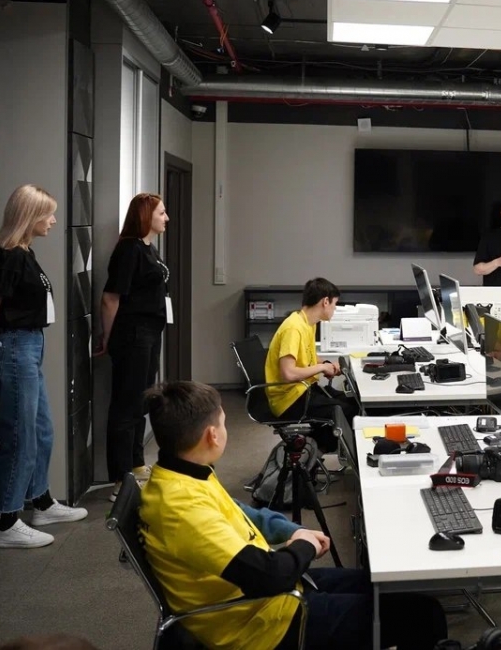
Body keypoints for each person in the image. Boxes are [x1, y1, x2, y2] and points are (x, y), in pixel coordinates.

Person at [138, 380, 447, 650]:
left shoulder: (182, 473)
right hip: (261, 625)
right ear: (212, 436)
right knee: (424, 615)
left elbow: (240, 512)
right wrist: (305, 545)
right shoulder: (182, 507)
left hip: (268, 599)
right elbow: (268, 576)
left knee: (389, 586)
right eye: (223, 423)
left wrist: (291, 531)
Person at [0, 184, 88, 548]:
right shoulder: (8, 257)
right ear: (30, 216)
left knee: (41, 430)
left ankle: (41, 503)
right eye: (48, 214)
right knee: (19, 436)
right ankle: (7, 523)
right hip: (13, 348)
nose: (53, 220)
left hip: (28, 346)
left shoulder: (25, 254)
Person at [101, 193, 170, 502]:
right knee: (126, 405)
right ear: (145, 216)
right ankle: (120, 478)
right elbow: (110, 298)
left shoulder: (148, 248)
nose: (166, 218)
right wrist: (108, 337)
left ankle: (137, 464)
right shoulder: (129, 249)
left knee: (141, 401)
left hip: (150, 332)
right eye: (161, 213)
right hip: (133, 334)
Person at [265, 278, 359, 453]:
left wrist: (326, 364)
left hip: (303, 389)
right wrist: (322, 368)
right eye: (335, 304)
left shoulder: (307, 323)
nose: (334, 309)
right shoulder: (293, 328)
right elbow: (288, 373)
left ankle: (315, 449)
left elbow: (308, 357)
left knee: (354, 402)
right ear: (325, 302)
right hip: (289, 399)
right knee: (344, 411)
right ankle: (313, 450)